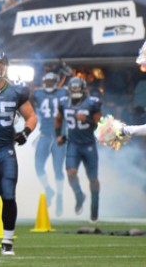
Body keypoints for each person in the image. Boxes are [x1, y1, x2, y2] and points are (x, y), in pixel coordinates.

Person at [0, 49, 37, 256]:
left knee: (9, 196)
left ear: (6, 66)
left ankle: (7, 240)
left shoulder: (15, 91)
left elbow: (31, 117)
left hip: (5, 150)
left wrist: (26, 133)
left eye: (0, 63)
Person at [55, 76, 102, 223]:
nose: (75, 92)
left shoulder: (93, 102)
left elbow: (99, 125)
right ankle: (79, 195)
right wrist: (59, 136)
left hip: (88, 144)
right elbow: (58, 119)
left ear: (84, 89)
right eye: (73, 89)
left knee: (93, 178)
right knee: (71, 172)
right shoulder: (63, 102)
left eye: (77, 89)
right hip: (73, 144)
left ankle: (94, 207)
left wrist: (86, 120)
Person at [31, 72, 68, 217]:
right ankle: (48, 189)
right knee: (38, 165)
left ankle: (59, 196)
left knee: (58, 168)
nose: (49, 84)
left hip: (59, 135)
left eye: (53, 81)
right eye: (47, 81)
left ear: (57, 82)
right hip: (45, 134)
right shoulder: (38, 93)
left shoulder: (64, 93)